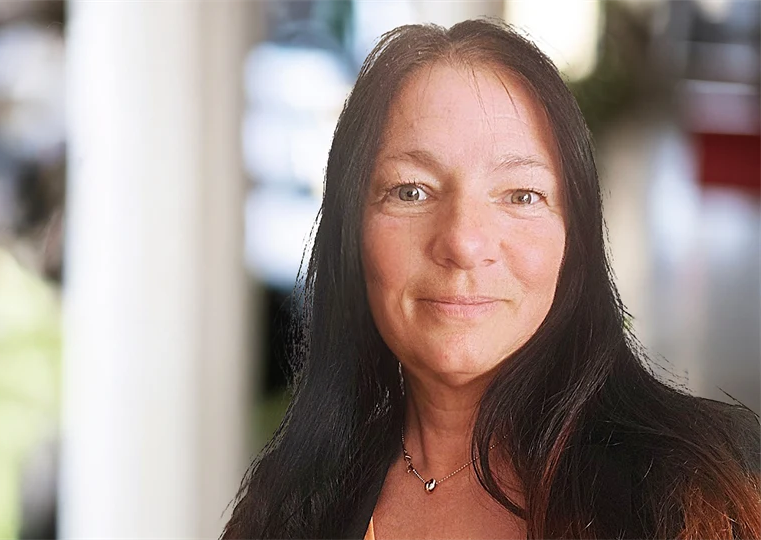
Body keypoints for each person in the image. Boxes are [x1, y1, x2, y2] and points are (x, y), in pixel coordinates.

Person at [222, 19, 761, 540]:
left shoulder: (700, 489)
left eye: (521, 196)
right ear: (350, 233)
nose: (462, 242)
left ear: (573, 239)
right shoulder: (287, 507)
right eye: (412, 191)